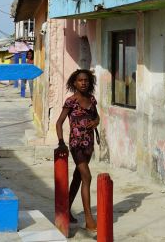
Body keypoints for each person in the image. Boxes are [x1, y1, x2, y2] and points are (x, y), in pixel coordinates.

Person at [56, 69, 99, 233]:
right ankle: (89, 220)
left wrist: (95, 123)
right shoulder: (71, 101)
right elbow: (59, 122)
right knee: (87, 176)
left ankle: (66, 211)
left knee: (77, 178)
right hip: (76, 145)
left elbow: (97, 117)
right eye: (80, 80)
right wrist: (61, 143)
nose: (83, 83)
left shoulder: (91, 99)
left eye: (86, 80)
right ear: (74, 83)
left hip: (89, 145)